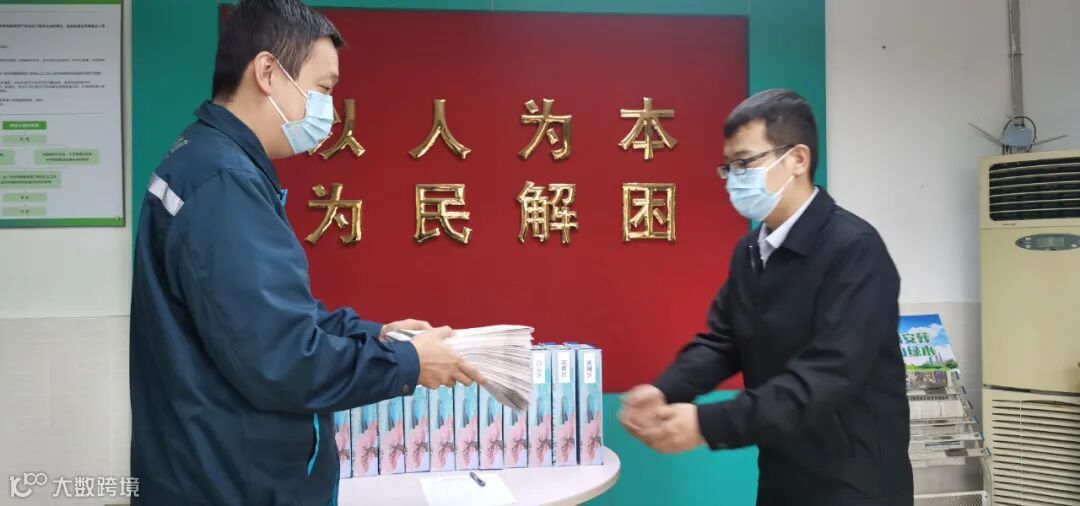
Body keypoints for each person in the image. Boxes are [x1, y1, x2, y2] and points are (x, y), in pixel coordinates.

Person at [129, 1, 483, 504]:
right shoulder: (224, 183)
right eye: (323, 88)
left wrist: (375, 335)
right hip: (230, 485)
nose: (328, 110)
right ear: (268, 73)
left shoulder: (205, 161)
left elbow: (274, 319)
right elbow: (283, 360)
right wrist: (407, 364)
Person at [620, 89, 913, 505]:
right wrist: (666, 390)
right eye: (729, 166)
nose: (734, 177)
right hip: (783, 470)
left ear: (798, 159)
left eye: (745, 162)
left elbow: (826, 374)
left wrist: (707, 424)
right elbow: (724, 341)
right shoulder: (752, 250)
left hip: (854, 481)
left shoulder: (854, 249)